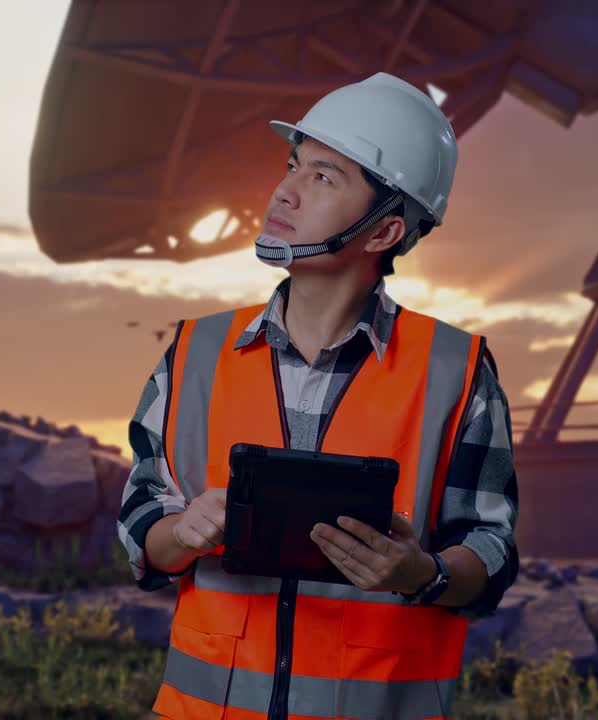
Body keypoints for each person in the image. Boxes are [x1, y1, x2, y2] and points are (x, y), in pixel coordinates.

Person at [117, 71, 519, 720]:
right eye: (293, 165)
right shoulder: (194, 353)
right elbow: (143, 529)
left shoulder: (457, 371)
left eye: (324, 177)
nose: (286, 190)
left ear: (384, 233)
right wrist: (182, 532)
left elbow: (490, 552)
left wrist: (419, 573)